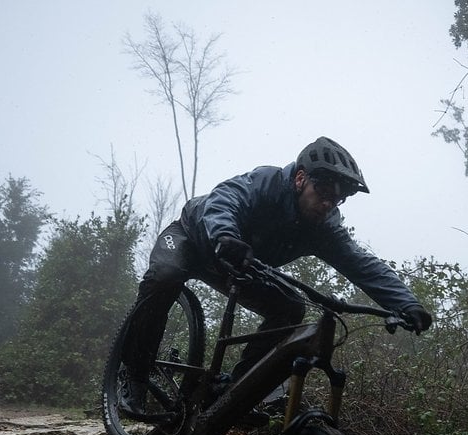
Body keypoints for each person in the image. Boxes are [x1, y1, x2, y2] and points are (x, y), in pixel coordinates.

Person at [118, 136, 433, 416]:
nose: (327, 204)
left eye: (336, 200)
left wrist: (408, 305)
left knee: (289, 308)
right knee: (165, 276)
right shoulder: (266, 182)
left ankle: (232, 391)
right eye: (321, 192)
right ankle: (133, 373)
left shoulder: (323, 228)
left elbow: (364, 265)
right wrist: (226, 236)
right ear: (299, 179)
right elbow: (225, 200)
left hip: (240, 263)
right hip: (193, 238)